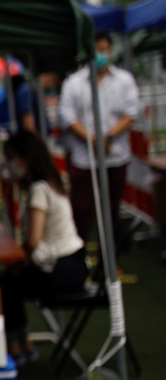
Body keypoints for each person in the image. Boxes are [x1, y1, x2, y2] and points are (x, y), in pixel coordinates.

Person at [0, 131, 87, 366]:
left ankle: (17, 344)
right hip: (75, 265)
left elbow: (33, 241)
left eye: (10, 159)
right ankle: (22, 342)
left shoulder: (39, 189)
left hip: (61, 270)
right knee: (9, 281)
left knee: (4, 285)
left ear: (25, 159)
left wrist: (20, 262)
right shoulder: (53, 183)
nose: (8, 165)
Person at [58, 31, 140, 244]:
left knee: (111, 209)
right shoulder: (74, 83)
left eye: (104, 50)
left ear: (111, 50)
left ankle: (109, 255)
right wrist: (93, 139)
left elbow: (131, 113)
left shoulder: (124, 80)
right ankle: (79, 252)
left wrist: (108, 137)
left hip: (116, 155)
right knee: (81, 208)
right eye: (96, 51)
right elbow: (67, 116)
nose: (101, 55)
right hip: (84, 158)